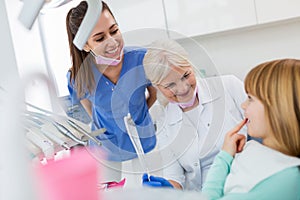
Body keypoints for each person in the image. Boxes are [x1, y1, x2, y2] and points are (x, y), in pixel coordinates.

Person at [141, 39, 247, 190]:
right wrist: (166, 189)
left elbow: (267, 131)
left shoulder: (229, 87)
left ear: (191, 65)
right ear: (157, 87)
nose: (183, 88)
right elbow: (175, 179)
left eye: (186, 75)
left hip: (247, 185)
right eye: (170, 85)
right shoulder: (165, 122)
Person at [66, 1, 157, 161]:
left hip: (145, 145)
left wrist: (140, 115)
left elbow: (154, 93)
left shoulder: (141, 59)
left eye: (114, 31)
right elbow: (86, 104)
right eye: (100, 39)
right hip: (105, 152)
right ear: (86, 45)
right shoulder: (78, 77)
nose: (112, 42)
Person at [202, 58, 300, 199]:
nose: (243, 105)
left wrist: (224, 157)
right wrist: (227, 153)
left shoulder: (286, 179)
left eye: (250, 98)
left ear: (279, 108)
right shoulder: (252, 147)